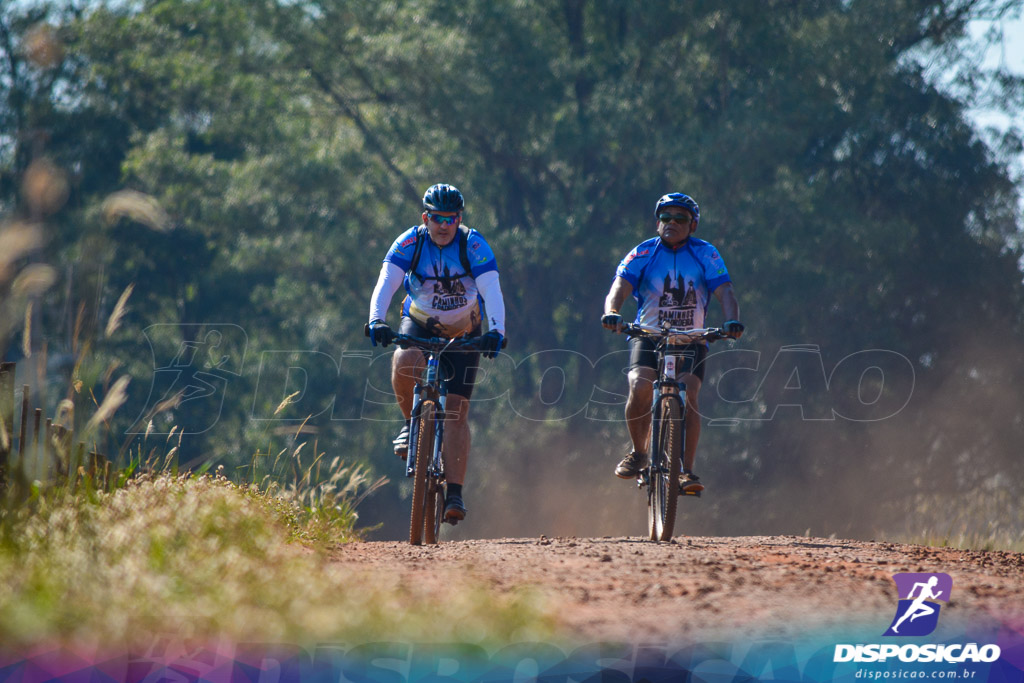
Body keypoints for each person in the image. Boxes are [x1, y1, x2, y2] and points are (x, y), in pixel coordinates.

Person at [367, 183, 506, 522]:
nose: (444, 226)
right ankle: (410, 424)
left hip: (465, 330)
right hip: (420, 323)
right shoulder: (410, 243)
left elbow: (491, 289)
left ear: (459, 219)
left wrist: (497, 330)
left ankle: (455, 494)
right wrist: (375, 319)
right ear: (425, 218)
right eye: (437, 219)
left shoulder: (473, 244)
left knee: (457, 411)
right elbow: (387, 281)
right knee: (404, 360)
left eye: (451, 219)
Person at [601, 192, 743, 493]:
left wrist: (732, 321)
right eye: (666, 218)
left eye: (680, 218)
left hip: (691, 338)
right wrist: (612, 312)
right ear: (657, 223)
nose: (672, 223)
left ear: (692, 225)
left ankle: (685, 472)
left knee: (689, 394)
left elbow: (725, 291)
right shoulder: (642, 253)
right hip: (649, 335)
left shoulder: (706, 253)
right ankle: (639, 453)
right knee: (640, 385)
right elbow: (620, 286)